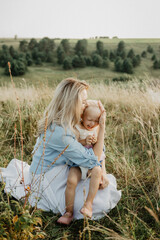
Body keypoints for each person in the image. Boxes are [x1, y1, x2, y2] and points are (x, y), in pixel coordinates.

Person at [0, 78, 121, 225]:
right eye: (83, 102)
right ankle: (67, 211)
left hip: (62, 169)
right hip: (48, 179)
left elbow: (98, 151)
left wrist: (102, 172)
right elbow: (93, 159)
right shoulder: (60, 132)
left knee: (98, 187)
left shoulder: (69, 119)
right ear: (72, 103)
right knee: (99, 202)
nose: (87, 105)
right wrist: (102, 126)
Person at [57, 99, 108, 224]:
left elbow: (101, 154)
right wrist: (84, 142)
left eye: (96, 121)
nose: (92, 123)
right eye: (89, 119)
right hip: (77, 164)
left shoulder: (97, 130)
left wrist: (103, 171)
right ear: (82, 117)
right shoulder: (76, 128)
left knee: (97, 170)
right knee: (71, 180)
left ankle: (88, 204)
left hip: (92, 164)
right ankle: (68, 212)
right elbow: (72, 144)